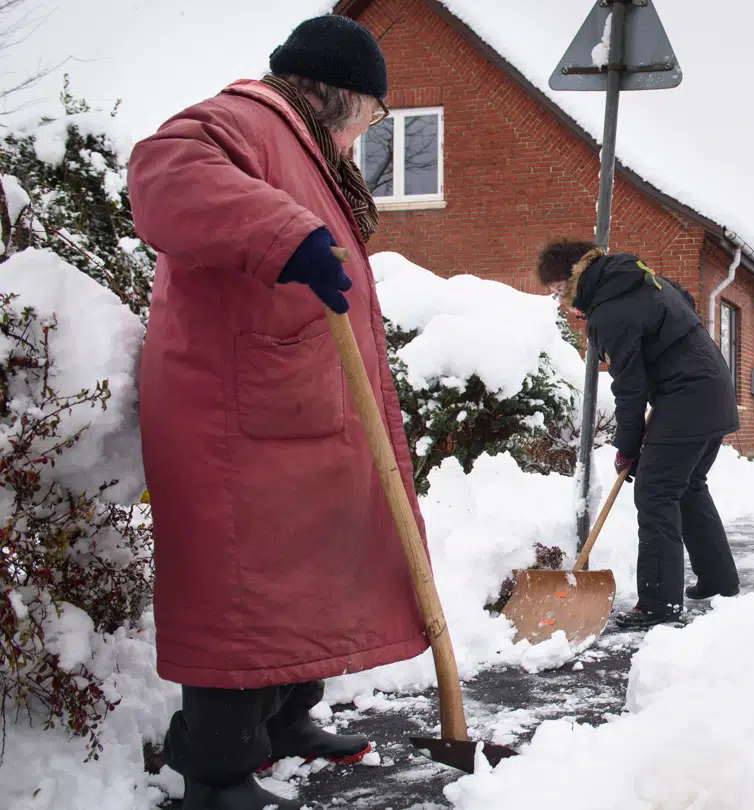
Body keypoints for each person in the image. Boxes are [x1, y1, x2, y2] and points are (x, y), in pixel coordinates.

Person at [127, 16, 425, 810]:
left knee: (301, 572)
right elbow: (161, 175)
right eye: (374, 112)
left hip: (288, 399)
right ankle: (217, 772)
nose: (369, 130)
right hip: (232, 409)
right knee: (242, 589)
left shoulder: (303, 145)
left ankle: (288, 724)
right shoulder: (244, 118)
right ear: (341, 93)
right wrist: (283, 234)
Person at [537, 240, 741, 630]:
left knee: (655, 491)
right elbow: (685, 304)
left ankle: (659, 604)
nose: (562, 301)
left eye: (561, 290)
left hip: (689, 398)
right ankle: (718, 579)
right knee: (688, 485)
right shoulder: (642, 281)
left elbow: (629, 389)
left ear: (577, 274)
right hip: (713, 390)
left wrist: (626, 448)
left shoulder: (611, 312)